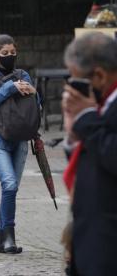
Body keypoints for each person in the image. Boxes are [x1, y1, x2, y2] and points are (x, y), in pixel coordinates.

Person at [62, 32, 117, 276]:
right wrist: (73, 133)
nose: (72, 89)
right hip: (92, 247)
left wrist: (85, 119)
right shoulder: (101, 106)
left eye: (77, 81)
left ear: (99, 76)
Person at [0, 34, 37, 254]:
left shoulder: (24, 75)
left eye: (13, 53)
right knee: (10, 185)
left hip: (21, 140)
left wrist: (34, 93)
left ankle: (1, 239)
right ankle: (9, 237)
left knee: (10, 190)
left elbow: (34, 106)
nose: (10, 57)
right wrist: (10, 88)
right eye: (5, 54)